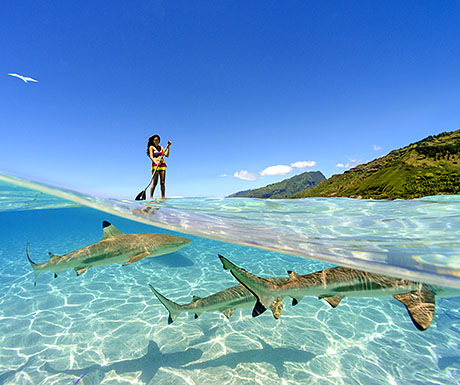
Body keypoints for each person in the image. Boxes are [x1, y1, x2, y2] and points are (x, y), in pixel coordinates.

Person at [146, 135, 171, 199]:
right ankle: (151, 197)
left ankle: (163, 197)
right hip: (155, 166)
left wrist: (168, 147)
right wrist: (155, 161)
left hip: (162, 165)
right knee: (155, 182)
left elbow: (166, 155)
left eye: (157, 140)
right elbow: (151, 156)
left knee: (162, 182)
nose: (156, 141)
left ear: (159, 140)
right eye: (155, 140)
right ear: (153, 141)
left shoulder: (162, 147)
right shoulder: (151, 147)